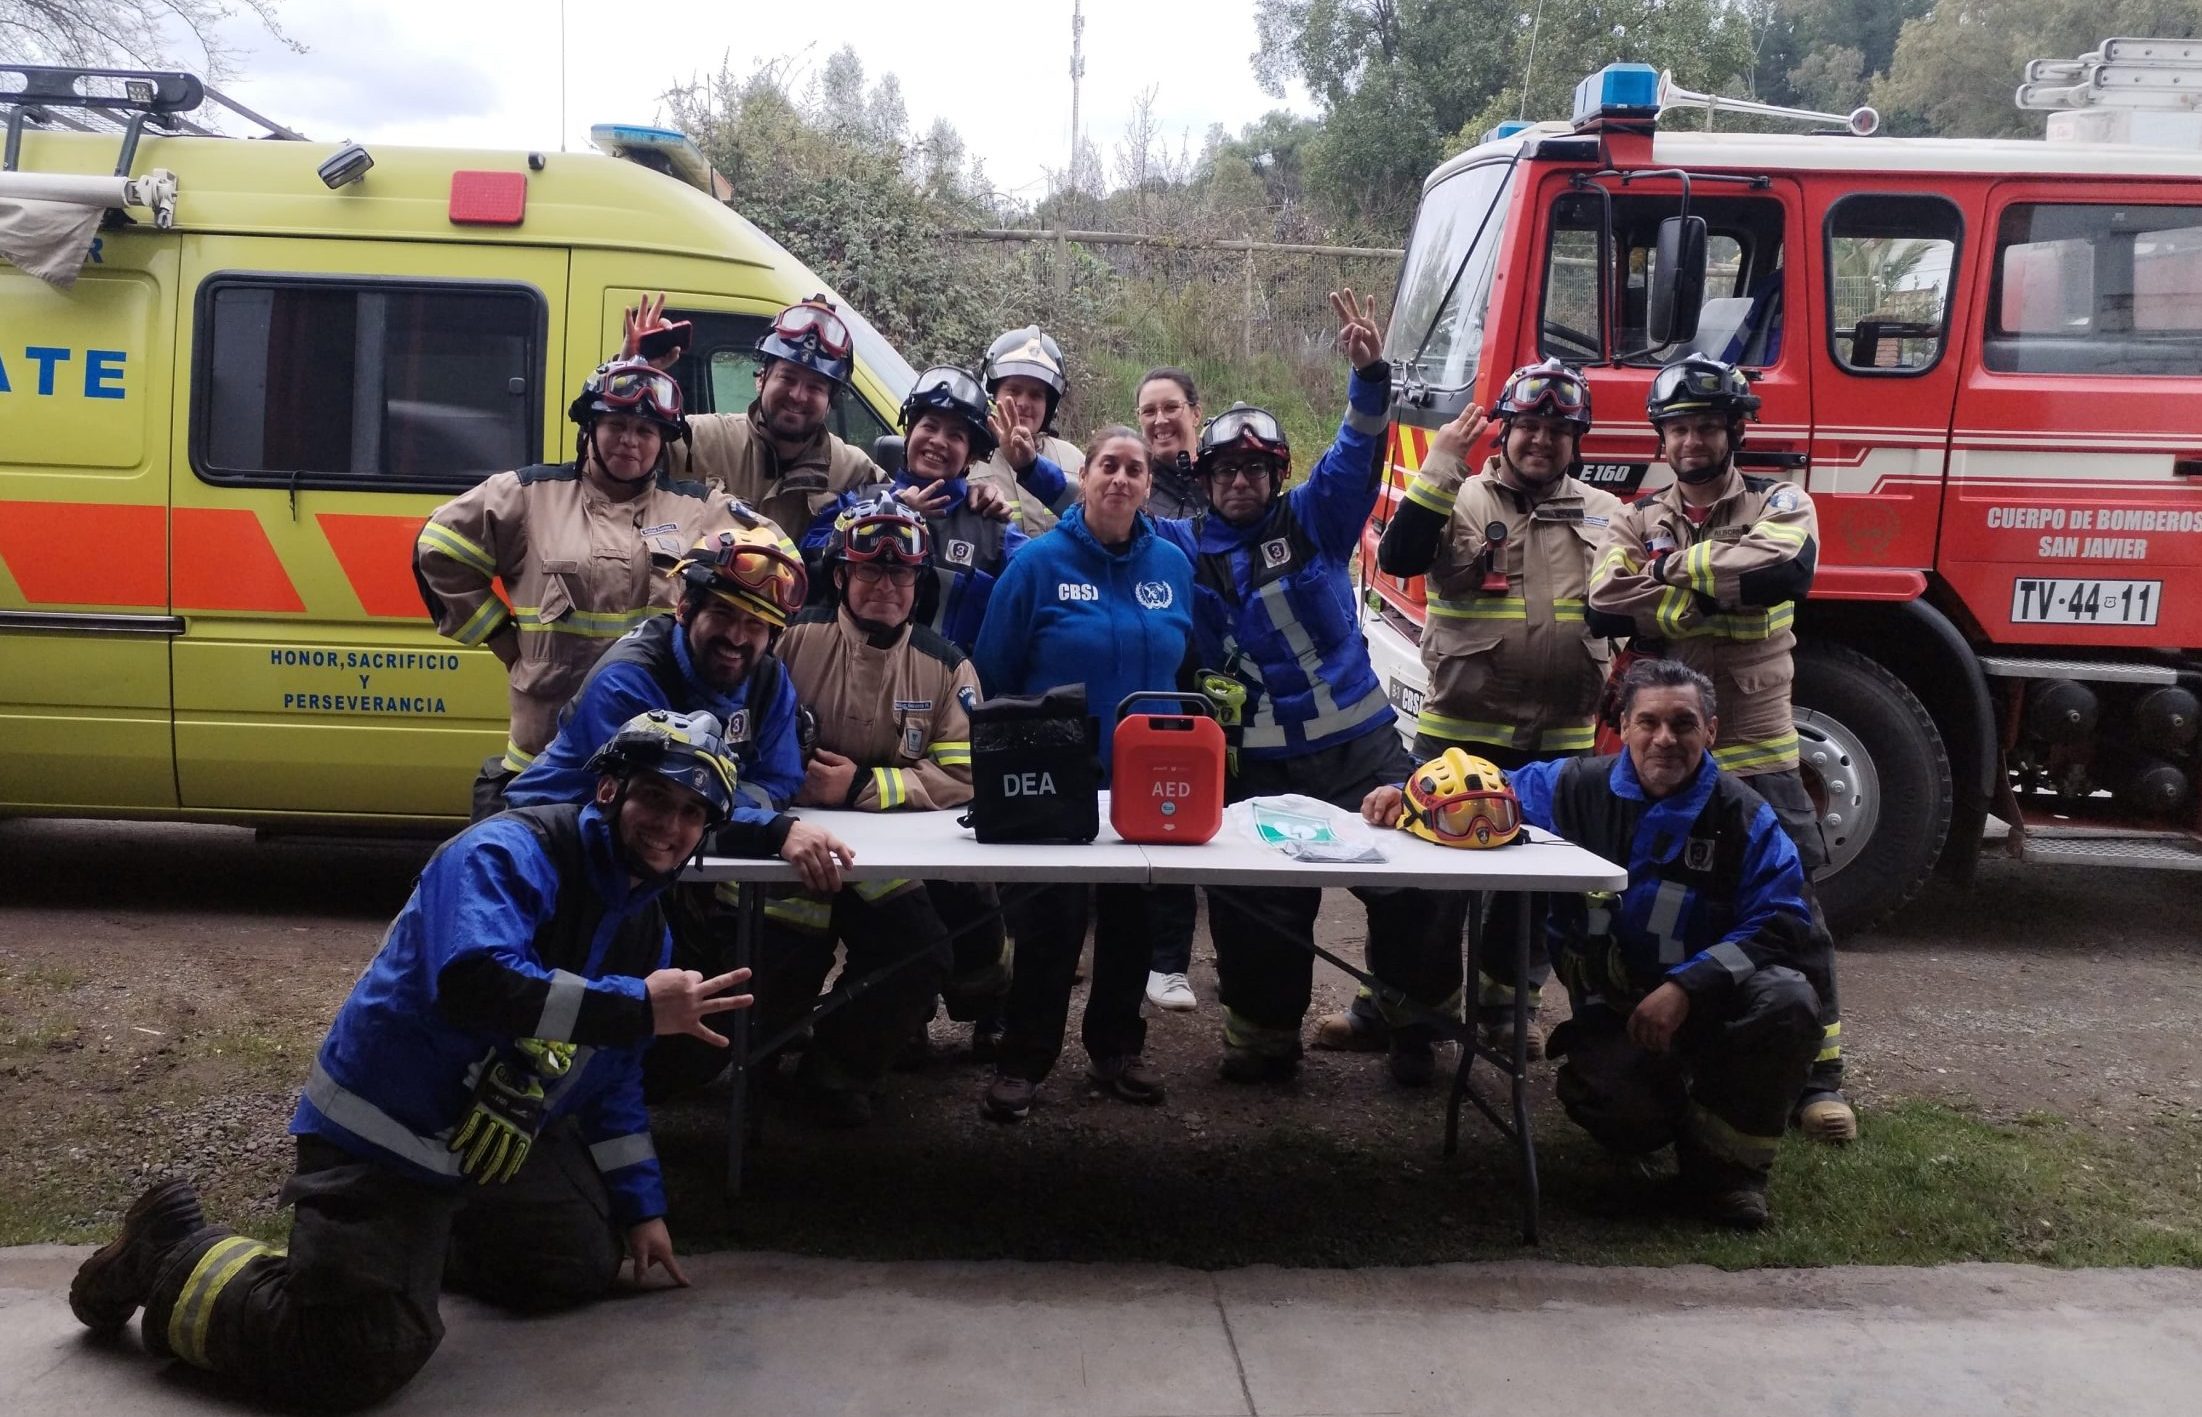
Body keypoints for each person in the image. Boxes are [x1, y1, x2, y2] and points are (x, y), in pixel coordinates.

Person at [68, 712, 800, 1410]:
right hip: (380, 1136)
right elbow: (474, 979)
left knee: (575, 1263)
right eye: (654, 797)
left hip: (480, 1150)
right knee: (358, 1353)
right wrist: (636, 1006)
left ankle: (402, 1253)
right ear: (609, 789)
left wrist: (643, 1207)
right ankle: (172, 1251)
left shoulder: (645, 928)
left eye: (692, 811)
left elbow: (612, 1080)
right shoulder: (507, 853)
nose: (670, 826)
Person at [1362, 660, 1825, 1230]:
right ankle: (1679, 1110)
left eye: (1683, 724)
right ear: (1623, 727)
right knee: (1622, 1117)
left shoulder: (1746, 817)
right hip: (1620, 1014)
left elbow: (1782, 917)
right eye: (1648, 722)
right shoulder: (1577, 788)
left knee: (1788, 1001)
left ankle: (1730, 1176)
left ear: (1711, 731)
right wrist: (1402, 793)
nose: (1664, 739)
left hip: (1716, 1005)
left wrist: (1687, 986)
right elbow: (1486, 793)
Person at [1149, 290, 1438, 1083]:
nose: (1240, 481)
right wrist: (1030, 463)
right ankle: (1263, 1038)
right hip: (1255, 765)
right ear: (1204, 478)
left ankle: (1411, 1025)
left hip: (1359, 749)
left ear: (1278, 473)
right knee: (1255, 908)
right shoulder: (1179, 544)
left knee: (1414, 881)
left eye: (1255, 467)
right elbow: (1102, 511)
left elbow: (1356, 446)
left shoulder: (1316, 518)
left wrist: (1370, 374)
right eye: (1225, 469)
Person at [1317, 358, 1622, 1063]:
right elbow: (1397, 554)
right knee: (1428, 895)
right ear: (1504, 431)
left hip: (1562, 739)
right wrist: (1443, 464)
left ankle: (1503, 1015)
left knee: (1533, 895)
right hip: (1460, 739)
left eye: (1558, 429)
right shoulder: (1459, 495)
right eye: (1529, 425)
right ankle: (1405, 1020)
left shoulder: (1609, 515)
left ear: (1576, 440)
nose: (1542, 439)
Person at [1585, 354, 1853, 1145]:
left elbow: (1784, 568)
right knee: (1662, 901)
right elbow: (1603, 598)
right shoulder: (1635, 514)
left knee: (1794, 910)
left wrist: (1668, 574)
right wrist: (1713, 575)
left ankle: (1818, 1079)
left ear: (1735, 429)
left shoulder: (1782, 501)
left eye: (1705, 425)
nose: (1691, 440)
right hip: (1670, 755)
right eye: (1677, 428)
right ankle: (1679, 1047)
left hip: (1758, 747)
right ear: (1661, 439)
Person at [500, 514, 853, 1100]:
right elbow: (656, 798)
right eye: (723, 615)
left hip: (661, 854)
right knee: (561, 1012)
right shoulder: (630, 678)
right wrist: (770, 828)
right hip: (566, 857)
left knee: (705, 1025)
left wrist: (746, 810)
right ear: (686, 608)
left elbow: (780, 773)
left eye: (755, 624)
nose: (738, 638)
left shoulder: (767, 681)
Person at [971, 426, 1196, 1121]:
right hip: (1054, 774)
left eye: (1134, 469)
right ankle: (1023, 1060)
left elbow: (1188, 664)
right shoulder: (1037, 564)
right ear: (1087, 475)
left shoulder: (1172, 566)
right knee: (1051, 926)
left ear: (1147, 484)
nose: (1121, 478)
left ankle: (1116, 1050)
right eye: (1109, 466)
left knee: (1131, 921)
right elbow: (992, 672)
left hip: (1146, 776)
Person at [766, 495, 993, 1117]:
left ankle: (837, 1073)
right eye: (870, 569)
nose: (886, 585)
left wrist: (861, 786)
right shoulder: (786, 641)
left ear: (919, 583)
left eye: (901, 573)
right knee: (770, 980)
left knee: (921, 956)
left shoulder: (947, 669)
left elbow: (964, 774)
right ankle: (759, 1057)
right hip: (787, 852)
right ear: (841, 574)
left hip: (885, 861)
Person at [415, 358, 715, 788]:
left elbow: (775, 558)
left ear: (662, 443)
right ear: (589, 430)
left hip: (652, 768)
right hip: (542, 760)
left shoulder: (696, 509)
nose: (629, 441)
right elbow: (438, 547)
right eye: (616, 425)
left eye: (646, 431)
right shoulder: (529, 497)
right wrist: (502, 638)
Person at [622, 293, 883, 538]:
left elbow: (906, 506)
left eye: (815, 387)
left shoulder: (852, 470)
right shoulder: (699, 441)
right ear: (762, 378)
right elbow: (607, 463)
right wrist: (629, 376)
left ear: (831, 401)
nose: (798, 395)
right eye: (787, 377)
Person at [803, 364, 1024, 652]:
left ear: (970, 456)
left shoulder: (992, 527)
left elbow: (1045, 573)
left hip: (946, 687)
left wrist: (1033, 471)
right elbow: (807, 560)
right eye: (929, 426)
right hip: (848, 676)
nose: (938, 441)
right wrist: (888, 512)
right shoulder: (859, 499)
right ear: (908, 433)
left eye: (956, 436)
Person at [1130, 365, 1211, 1009]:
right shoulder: (1136, 485)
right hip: (1161, 671)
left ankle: (1240, 969)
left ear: (1195, 410)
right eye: (1148, 411)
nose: (1160, 420)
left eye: (1171, 407)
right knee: (1166, 808)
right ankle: (1165, 962)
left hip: (1229, 677)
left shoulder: (1229, 473)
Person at [967, 324, 1085, 535]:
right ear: (991, 395)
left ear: (1050, 406)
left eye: (1036, 395)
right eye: (1013, 390)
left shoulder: (1075, 461)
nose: (1023, 402)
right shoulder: (967, 460)